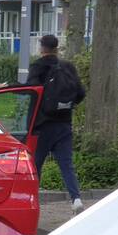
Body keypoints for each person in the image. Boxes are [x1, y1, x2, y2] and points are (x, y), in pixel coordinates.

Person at [26, 34, 86, 215]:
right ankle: (76, 199)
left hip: (42, 125)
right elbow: (81, 92)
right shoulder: (67, 67)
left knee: (36, 165)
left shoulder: (37, 67)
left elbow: (31, 93)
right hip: (64, 124)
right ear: (56, 48)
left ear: (42, 48)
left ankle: (32, 200)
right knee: (66, 164)